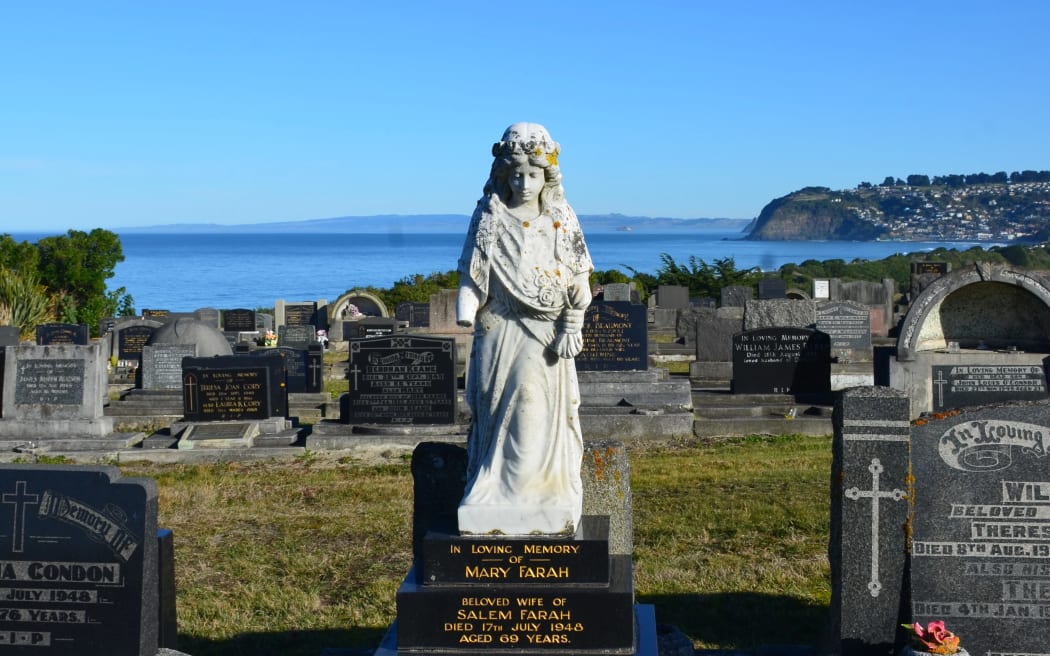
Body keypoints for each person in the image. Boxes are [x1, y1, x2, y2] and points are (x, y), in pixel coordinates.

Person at [455, 123, 593, 535]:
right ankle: (494, 493)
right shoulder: (488, 217)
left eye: (533, 174)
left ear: (547, 175)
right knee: (494, 413)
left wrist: (578, 306)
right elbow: (471, 274)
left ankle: (541, 493)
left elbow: (580, 278)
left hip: (545, 332)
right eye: (516, 174)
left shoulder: (561, 217)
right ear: (503, 174)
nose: (524, 183)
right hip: (499, 327)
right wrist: (466, 309)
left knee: (532, 407)